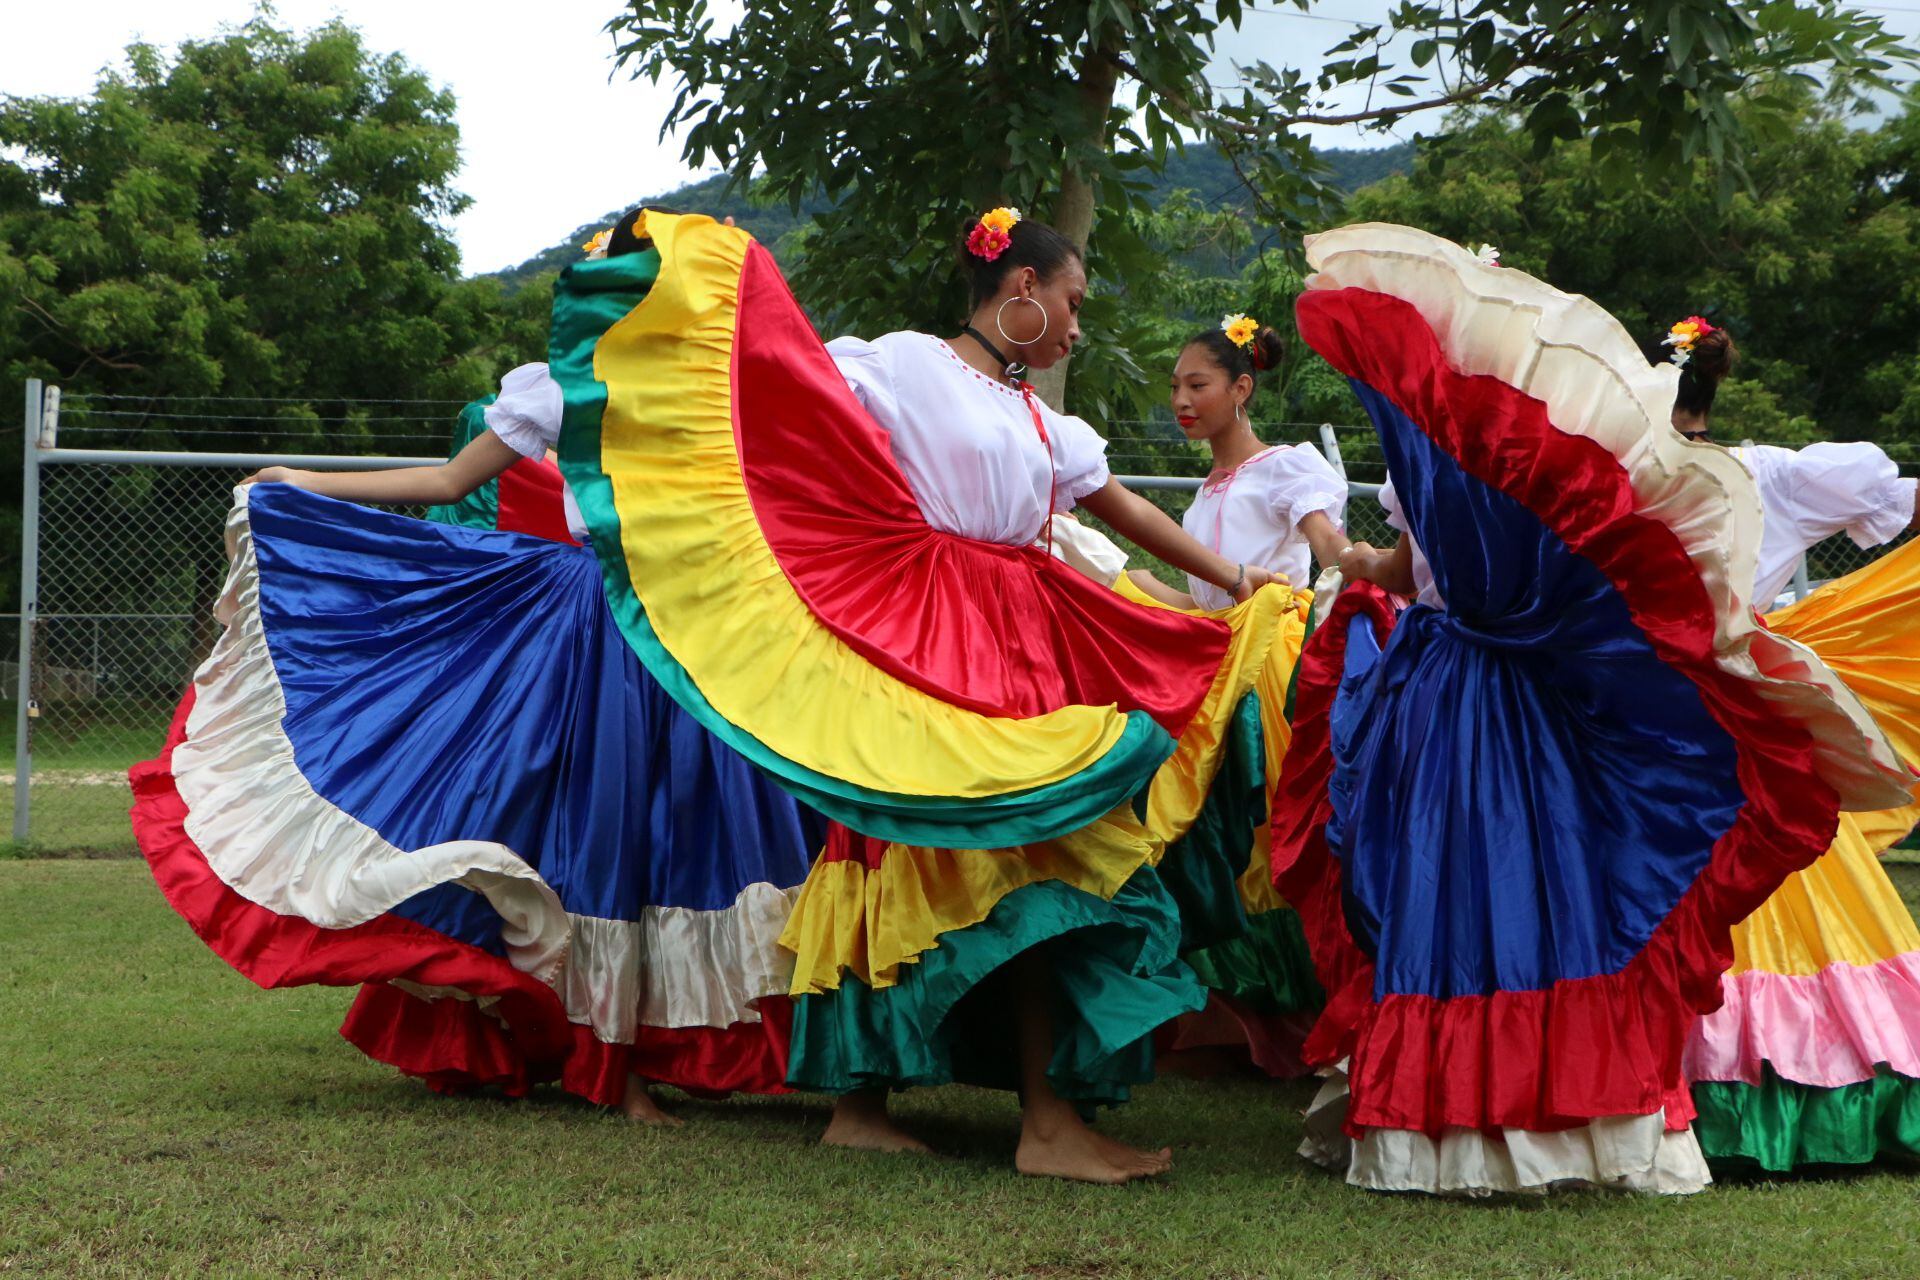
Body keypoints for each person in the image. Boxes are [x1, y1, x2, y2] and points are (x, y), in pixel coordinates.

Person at [1277, 223, 1910, 1195]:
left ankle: (1450, 1118)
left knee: (1456, 897)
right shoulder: (1565, 474)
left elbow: (1414, 571)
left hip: (1462, 696)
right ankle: (1577, 1120)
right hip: (1538, 705)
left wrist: (1359, 572)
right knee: (1546, 899)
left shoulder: (1515, 468)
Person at [765, 206, 1289, 1181]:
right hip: (933, 624)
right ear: (1021, 292)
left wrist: (1234, 576)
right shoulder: (902, 363)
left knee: (1022, 840)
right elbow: (790, 389)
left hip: (1018, 629)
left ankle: (1020, 1111)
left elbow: (1117, 505)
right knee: (940, 840)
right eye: (1072, 301)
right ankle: (902, 1105)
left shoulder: (1035, 414)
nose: (1078, 324)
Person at [1653, 316, 1920, 1170]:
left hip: (1655, 704)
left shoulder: (1621, 473)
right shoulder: (1768, 472)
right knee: (1776, 864)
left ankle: (1689, 1080)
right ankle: (1817, 1086)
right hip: (1742, 705)